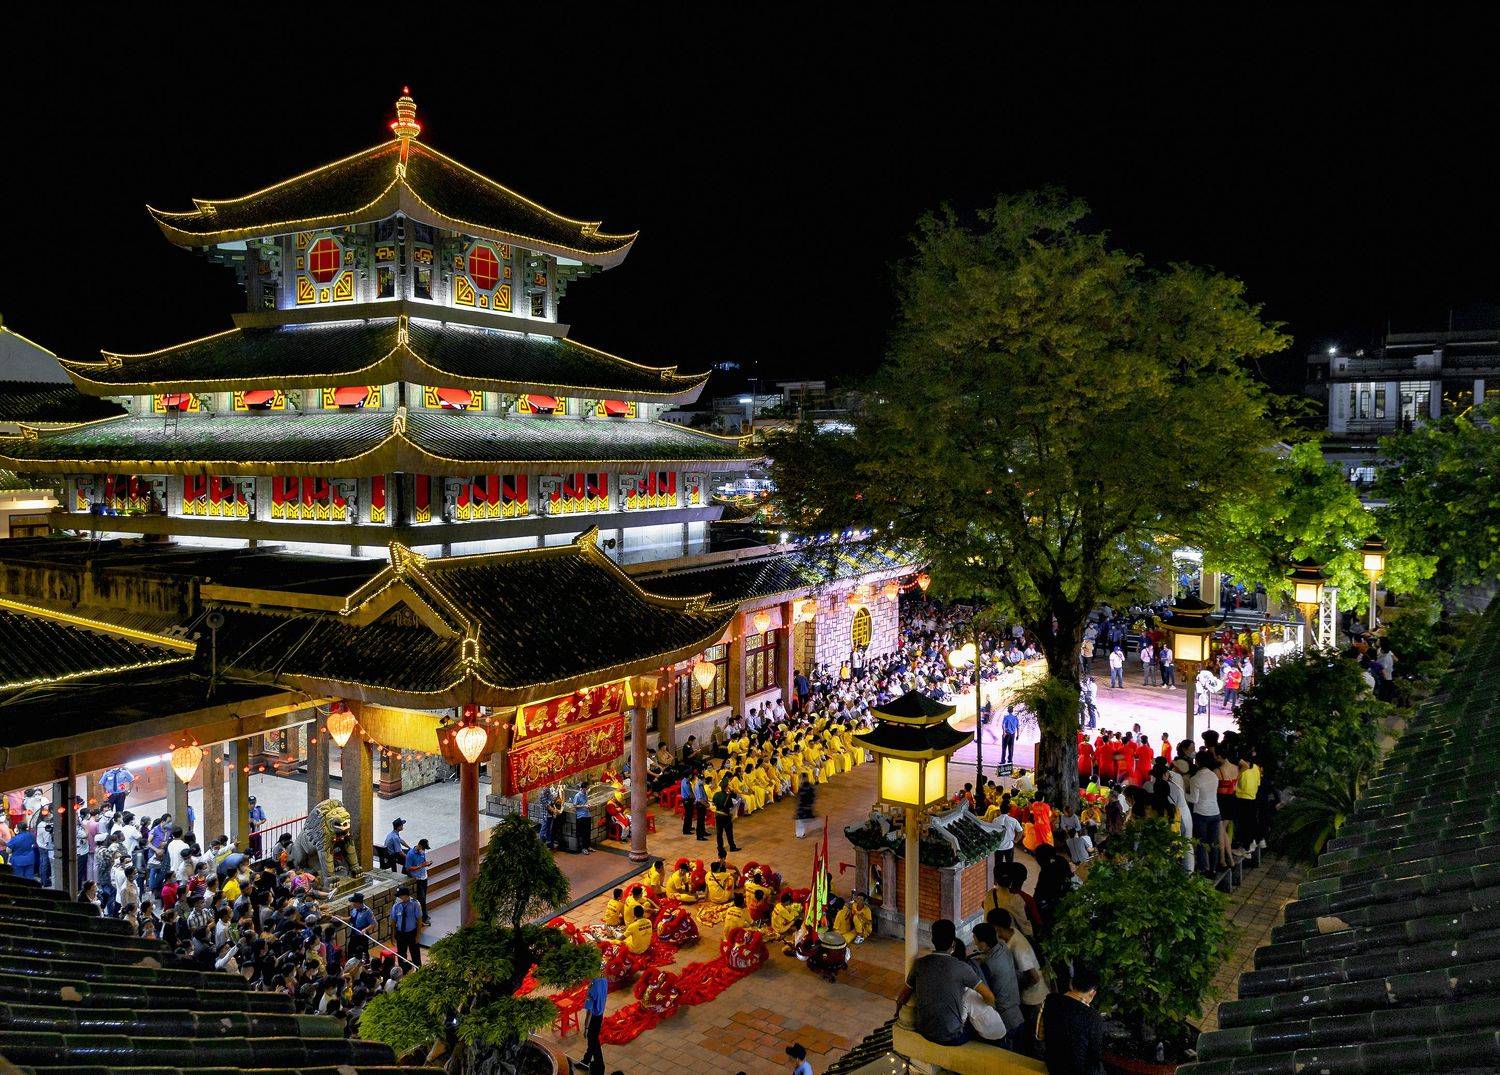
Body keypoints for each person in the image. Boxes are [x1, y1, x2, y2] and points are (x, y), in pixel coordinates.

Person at [893, 918, 993, 1046]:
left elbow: (903, 997)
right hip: (952, 1037)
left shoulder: (919, 964)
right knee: (978, 1025)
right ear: (953, 944)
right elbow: (989, 997)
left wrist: (897, 1013)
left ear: (932, 940)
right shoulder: (962, 968)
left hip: (924, 1031)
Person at [988, 908, 1046, 1053]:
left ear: (996, 928)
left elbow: (1034, 977)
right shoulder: (1012, 933)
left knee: (1033, 1036)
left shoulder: (1019, 948)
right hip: (1028, 998)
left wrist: (1016, 987)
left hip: (1033, 999)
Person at [1039, 962, 1104, 1074]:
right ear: (1093, 993)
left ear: (1070, 984)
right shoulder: (1093, 1017)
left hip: (1053, 1066)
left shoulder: (1050, 1001)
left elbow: (1039, 1036)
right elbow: (1095, 1054)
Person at [969, 921, 1024, 1048]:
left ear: (983, 944)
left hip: (1005, 1019)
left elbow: (985, 992)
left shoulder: (988, 965)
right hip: (1017, 1010)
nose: (974, 943)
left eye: (975, 940)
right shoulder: (1003, 947)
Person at [580, 971, 608, 1074]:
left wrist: (586, 1028)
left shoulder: (591, 991)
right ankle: (586, 1061)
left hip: (594, 1018)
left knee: (593, 1042)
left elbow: (589, 1013)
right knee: (593, 1042)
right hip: (600, 1014)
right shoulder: (604, 980)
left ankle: (599, 1066)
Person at [389, 886, 422, 967]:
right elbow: (393, 921)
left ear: (406, 896)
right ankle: (403, 969)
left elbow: (419, 920)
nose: (399, 898)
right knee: (401, 954)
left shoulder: (415, 904)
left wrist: (418, 935)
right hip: (400, 933)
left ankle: (418, 968)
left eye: (400, 896)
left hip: (412, 933)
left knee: (415, 953)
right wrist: (393, 936)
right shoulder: (396, 905)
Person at [404, 840, 431, 924]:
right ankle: (424, 918)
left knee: (424, 897)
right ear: (419, 846)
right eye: (423, 848)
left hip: (424, 876)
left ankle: (423, 915)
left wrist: (427, 864)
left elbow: (423, 862)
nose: (424, 850)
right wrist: (421, 866)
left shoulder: (422, 852)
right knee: (421, 899)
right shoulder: (410, 854)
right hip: (417, 878)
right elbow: (408, 868)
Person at [712, 780, 741, 856]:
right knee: (729, 833)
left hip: (718, 815)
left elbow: (713, 803)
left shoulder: (716, 794)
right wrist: (731, 791)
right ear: (726, 787)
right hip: (725, 816)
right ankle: (732, 847)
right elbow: (731, 804)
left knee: (719, 833)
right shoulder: (728, 796)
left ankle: (720, 847)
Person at [346, 892, 375, 962]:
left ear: (358, 903)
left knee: (363, 952)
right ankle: (351, 964)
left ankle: (366, 964)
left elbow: (373, 924)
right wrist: (341, 918)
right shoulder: (354, 909)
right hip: (353, 934)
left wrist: (365, 929)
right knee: (350, 950)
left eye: (353, 902)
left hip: (362, 936)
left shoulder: (367, 911)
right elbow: (352, 918)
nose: (352, 904)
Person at [571, 785, 593, 856]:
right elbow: (574, 805)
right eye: (587, 788)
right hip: (581, 816)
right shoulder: (577, 796)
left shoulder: (586, 794)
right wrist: (584, 806)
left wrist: (588, 805)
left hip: (587, 814)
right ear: (583, 788)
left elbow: (586, 802)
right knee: (583, 832)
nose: (587, 790)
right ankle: (584, 848)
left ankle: (588, 846)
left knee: (588, 831)